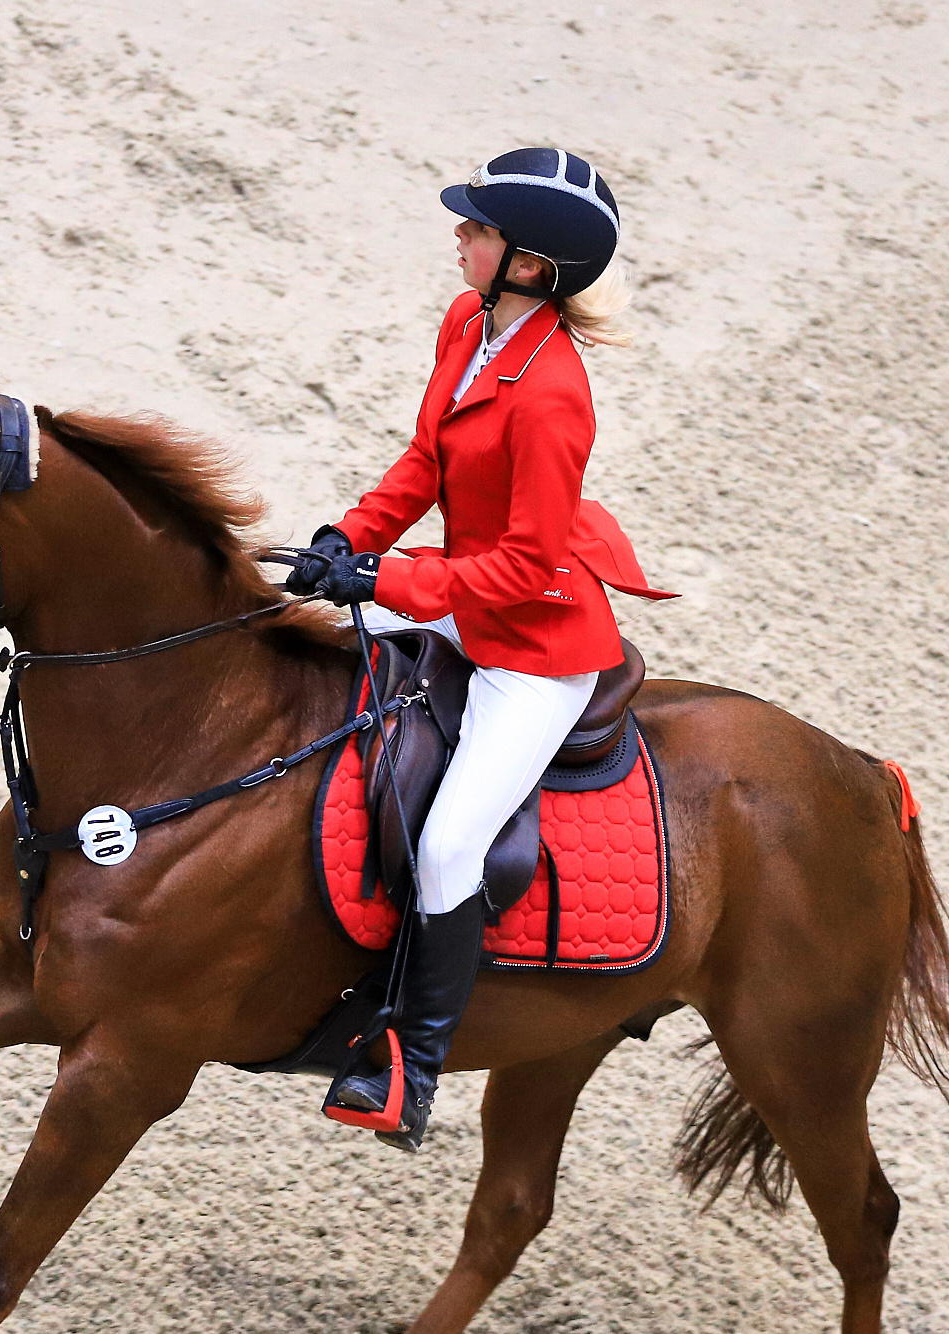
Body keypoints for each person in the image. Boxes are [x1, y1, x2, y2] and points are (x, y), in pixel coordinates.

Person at [289, 146, 665, 1150]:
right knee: (292, 633)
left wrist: (393, 580)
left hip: (532, 646)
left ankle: (411, 1068)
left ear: (529, 266)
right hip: (457, 590)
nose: (459, 235)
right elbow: (422, 459)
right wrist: (349, 540)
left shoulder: (553, 397)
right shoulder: (467, 323)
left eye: (479, 229)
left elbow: (529, 567)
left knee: (451, 845)